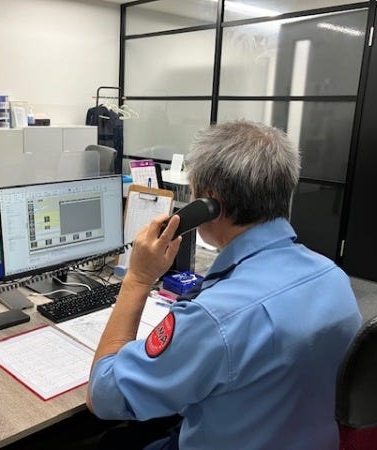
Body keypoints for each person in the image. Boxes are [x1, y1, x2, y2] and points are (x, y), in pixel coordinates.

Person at [86, 119, 362, 449]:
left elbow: (102, 396)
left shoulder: (214, 318)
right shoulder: (333, 277)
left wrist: (138, 278)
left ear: (209, 205)